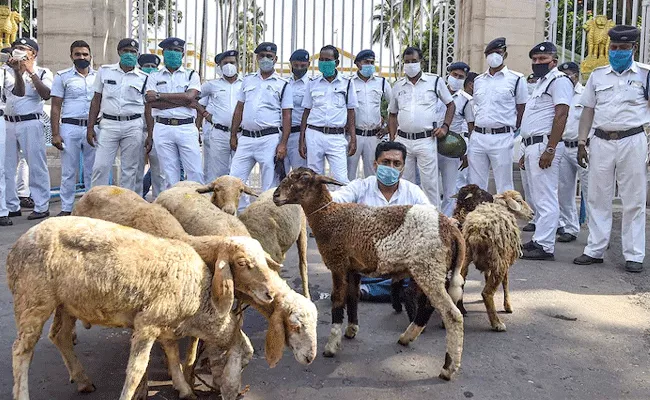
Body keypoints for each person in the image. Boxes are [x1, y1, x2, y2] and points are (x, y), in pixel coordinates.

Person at [573, 25, 650, 273]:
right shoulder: (598, 75)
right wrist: (582, 142)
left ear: (633, 49)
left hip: (633, 140)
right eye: (614, 48)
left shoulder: (646, 75)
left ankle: (634, 254)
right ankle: (595, 249)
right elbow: (588, 110)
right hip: (601, 140)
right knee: (597, 197)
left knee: (634, 200)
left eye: (623, 48)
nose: (617, 52)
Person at [331, 140, 429, 311]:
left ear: (403, 168)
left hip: (399, 263)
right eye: (386, 162)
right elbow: (334, 201)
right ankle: (375, 289)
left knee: (418, 276)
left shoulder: (413, 192)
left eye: (396, 163)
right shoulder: (361, 187)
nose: (391, 167)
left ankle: (365, 291)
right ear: (375, 165)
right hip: (365, 263)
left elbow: (431, 217)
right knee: (348, 271)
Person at [519, 42, 573, 260]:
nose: (537, 63)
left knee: (546, 197)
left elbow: (561, 115)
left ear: (554, 61)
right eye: (535, 60)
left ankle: (545, 246)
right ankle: (540, 239)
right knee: (538, 196)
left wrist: (550, 148)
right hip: (534, 144)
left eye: (543, 59)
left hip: (545, 145)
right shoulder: (542, 82)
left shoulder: (559, 81)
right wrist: (526, 150)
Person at [388, 46, 454, 207]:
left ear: (421, 62)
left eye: (414, 61)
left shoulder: (434, 81)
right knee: (404, 183)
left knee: (430, 184)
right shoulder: (398, 86)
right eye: (407, 62)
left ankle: (434, 220)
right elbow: (392, 114)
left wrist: (445, 127)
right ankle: (407, 219)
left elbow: (450, 105)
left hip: (426, 140)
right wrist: (392, 141)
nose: (410, 65)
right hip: (403, 141)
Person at [230, 42, 292, 210]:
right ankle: (242, 213)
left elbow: (287, 115)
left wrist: (283, 143)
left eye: (269, 56)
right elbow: (239, 109)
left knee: (269, 184)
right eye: (262, 56)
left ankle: (266, 215)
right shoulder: (248, 80)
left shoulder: (283, 84)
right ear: (257, 58)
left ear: (276, 59)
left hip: (269, 139)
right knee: (235, 179)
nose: (265, 59)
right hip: (246, 138)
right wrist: (233, 135)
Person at [88, 38, 150, 194]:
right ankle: (96, 202)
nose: (129, 54)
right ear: (119, 52)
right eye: (126, 51)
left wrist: (150, 133)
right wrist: (90, 127)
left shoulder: (144, 77)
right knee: (100, 166)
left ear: (137, 54)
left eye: (133, 52)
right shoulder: (105, 71)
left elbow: (148, 107)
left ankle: (125, 205)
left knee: (129, 169)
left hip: (133, 124)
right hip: (109, 124)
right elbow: (96, 101)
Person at [469, 37, 527, 194]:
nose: (494, 56)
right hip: (478, 136)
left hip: (502, 137)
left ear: (505, 55)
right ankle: (479, 217)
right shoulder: (479, 80)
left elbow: (521, 107)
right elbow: (476, 107)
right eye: (490, 53)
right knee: (476, 185)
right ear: (485, 56)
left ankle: (504, 217)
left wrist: (513, 131)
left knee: (504, 186)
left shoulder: (516, 79)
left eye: (498, 52)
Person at [4, 37, 52, 220]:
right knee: (7, 166)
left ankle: (41, 205)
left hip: (30, 122)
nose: (18, 51)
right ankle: (11, 205)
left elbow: (46, 94)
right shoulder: (6, 72)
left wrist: (30, 72)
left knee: (36, 164)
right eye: (16, 48)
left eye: (23, 48)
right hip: (9, 121)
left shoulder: (42, 72)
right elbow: (16, 92)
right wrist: (16, 71)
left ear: (33, 53)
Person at [145, 37, 202, 189]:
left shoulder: (191, 75)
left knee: (195, 172)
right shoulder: (154, 76)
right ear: (163, 52)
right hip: (163, 127)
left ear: (182, 54)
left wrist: (160, 96)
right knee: (169, 175)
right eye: (170, 50)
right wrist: (182, 99)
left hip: (186, 127)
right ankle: (173, 208)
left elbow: (190, 96)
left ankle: (198, 207)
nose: (173, 53)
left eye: (177, 51)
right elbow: (151, 102)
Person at [50, 40, 97, 216]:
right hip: (70, 128)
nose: (82, 57)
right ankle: (66, 208)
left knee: (92, 170)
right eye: (78, 54)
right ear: (71, 56)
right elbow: (55, 106)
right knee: (69, 171)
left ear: (90, 56)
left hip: (92, 128)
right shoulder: (62, 77)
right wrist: (55, 133)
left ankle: (90, 209)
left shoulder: (98, 77)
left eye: (85, 54)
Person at [300, 44, 357, 184]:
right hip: (314, 134)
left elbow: (351, 112)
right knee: (314, 179)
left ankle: (339, 205)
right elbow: (306, 112)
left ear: (336, 63)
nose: (324, 63)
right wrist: (301, 139)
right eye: (322, 59)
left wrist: (353, 139)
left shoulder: (347, 83)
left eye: (328, 59)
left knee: (341, 180)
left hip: (336, 137)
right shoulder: (312, 83)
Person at [556, 61, 589, 243]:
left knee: (590, 190)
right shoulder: (560, 94)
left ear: (576, 75)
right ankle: (570, 227)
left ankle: (596, 233)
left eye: (569, 74)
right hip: (563, 146)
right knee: (564, 190)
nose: (567, 78)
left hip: (584, 147)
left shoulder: (584, 95)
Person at [196, 49, 242, 182]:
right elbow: (193, 98)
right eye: (225, 63)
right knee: (217, 173)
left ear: (237, 64)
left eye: (232, 62)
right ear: (220, 66)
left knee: (239, 172)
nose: (229, 65)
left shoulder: (245, 83)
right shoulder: (211, 85)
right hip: (219, 133)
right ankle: (215, 202)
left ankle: (242, 203)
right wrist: (205, 114)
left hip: (240, 134)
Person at [347, 49, 391, 181]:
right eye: (366, 62)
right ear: (358, 64)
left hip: (373, 136)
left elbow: (395, 105)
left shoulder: (382, 82)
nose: (370, 65)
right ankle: (348, 201)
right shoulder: (349, 82)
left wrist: (387, 127)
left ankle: (370, 202)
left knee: (372, 174)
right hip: (354, 135)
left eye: (372, 62)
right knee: (349, 174)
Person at [438, 61, 474, 216]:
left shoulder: (466, 99)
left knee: (450, 189)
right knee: (430, 185)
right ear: (448, 74)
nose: (457, 79)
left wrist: (468, 152)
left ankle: (446, 220)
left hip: (452, 148)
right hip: (430, 143)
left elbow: (471, 127)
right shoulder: (435, 93)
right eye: (455, 75)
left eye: (461, 77)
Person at [0, 44, 25, 226]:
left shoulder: (3, 73)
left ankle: (2, 210)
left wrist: (16, 72)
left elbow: (20, 92)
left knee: (1, 167)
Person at [137, 53, 165, 198]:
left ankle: (159, 200)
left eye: (153, 67)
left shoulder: (159, 84)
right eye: (147, 66)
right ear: (140, 67)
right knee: (136, 169)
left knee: (159, 170)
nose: (150, 69)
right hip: (136, 129)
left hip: (155, 130)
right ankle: (136, 199)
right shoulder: (135, 80)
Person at [286, 49, 310, 172]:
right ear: (291, 64)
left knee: (300, 176)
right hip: (282, 134)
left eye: (302, 65)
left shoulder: (311, 85)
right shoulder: (284, 83)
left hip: (299, 135)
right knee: (279, 175)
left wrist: (303, 139)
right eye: (296, 65)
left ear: (308, 65)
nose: (299, 68)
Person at [521, 73, 540, 232]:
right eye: (530, 80)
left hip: (544, 143)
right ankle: (534, 218)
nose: (532, 83)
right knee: (530, 186)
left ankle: (563, 225)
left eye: (535, 81)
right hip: (527, 143)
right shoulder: (529, 98)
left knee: (544, 190)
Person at [455, 71, 477, 195]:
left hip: (469, 141)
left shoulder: (472, 100)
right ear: (471, 85)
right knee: (460, 180)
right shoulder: (467, 99)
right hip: (463, 141)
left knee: (466, 179)